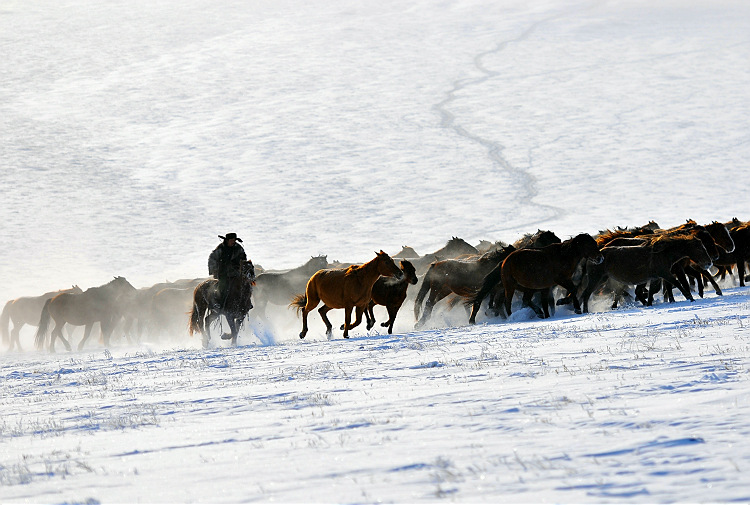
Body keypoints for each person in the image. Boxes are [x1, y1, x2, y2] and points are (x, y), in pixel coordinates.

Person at [208, 233, 247, 309]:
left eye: (234, 240)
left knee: (244, 286)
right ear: (227, 240)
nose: (233, 242)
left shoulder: (239, 248)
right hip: (223, 273)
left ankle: (246, 303)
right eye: (231, 240)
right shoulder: (220, 249)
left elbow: (243, 258)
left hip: (236, 272)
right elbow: (212, 259)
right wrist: (214, 271)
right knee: (223, 286)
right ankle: (218, 303)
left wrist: (242, 267)